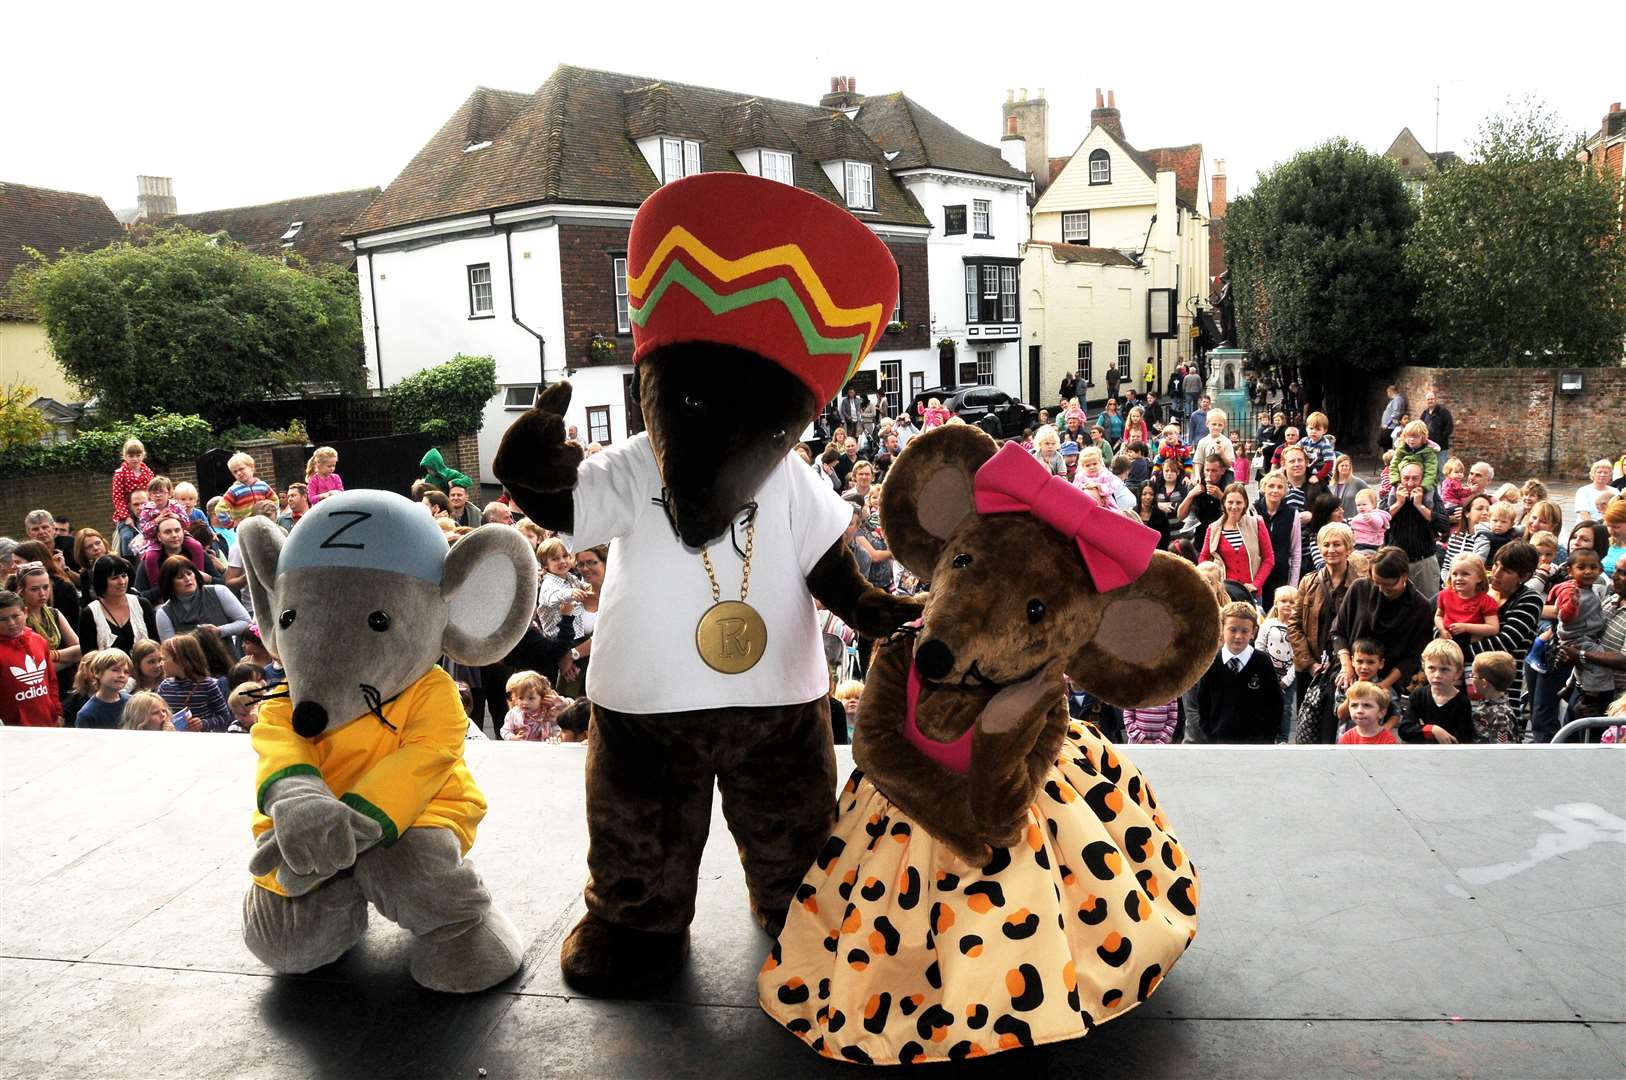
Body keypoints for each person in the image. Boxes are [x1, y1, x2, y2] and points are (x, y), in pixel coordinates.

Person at [1330, 547, 1435, 697]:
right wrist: (1347, 666)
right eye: (1376, 582)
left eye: (1388, 585)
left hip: (1390, 684)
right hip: (1349, 673)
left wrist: (1382, 685)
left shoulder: (1420, 607)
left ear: (1404, 577)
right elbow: (1338, 632)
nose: (1381, 590)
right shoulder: (1359, 589)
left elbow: (1413, 656)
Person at [1466, 541, 1545, 734]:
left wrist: (1456, 653)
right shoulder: (1480, 591)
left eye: (1507, 570)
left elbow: (1504, 643)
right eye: (1496, 565)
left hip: (1503, 693)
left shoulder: (1530, 600)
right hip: (1466, 686)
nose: (1497, 572)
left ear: (1525, 576)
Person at [1188, 601, 1282, 743]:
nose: (1238, 636)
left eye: (1244, 631)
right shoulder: (1211, 663)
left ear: (1253, 631)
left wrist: (1266, 738)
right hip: (1219, 742)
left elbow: (1275, 703)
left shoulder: (1263, 662)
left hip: (1255, 743)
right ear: (1222, 628)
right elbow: (1202, 703)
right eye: (1232, 630)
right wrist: (1210, 736)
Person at [1200, 483, 1273, 598]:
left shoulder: (1257, 524)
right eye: (1230, 502)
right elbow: (1204, 558)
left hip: (1252, 594)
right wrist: (1213, 582)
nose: (1234, 507)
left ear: (1245, 504)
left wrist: (1256, 584)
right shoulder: (1213, 528)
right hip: (1225, 594)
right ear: (1224, 503)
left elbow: (1269, 559)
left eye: (1238, 502)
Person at [0, 588, 61, 726]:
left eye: (15, 616)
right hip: (14, 730)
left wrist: (57, 712)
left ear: (25, 613)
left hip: (48, 722)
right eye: (2, 619)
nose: (11, 623)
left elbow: (51, 680)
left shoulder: (39, 641)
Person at [154, 555, 250, 642]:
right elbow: (170, 647)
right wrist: (197, 637)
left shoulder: (219, 591)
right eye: (180, 577)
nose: (187, 579)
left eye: (189, 573)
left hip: (228, 657)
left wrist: (220, 631)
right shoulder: (164, 613)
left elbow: (245, 622)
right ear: (169, 583)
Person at [77, 554, 159, 653]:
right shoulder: (89, 613)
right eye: (114, 578)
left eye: (124, 576)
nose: (122, 582)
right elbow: (88, 656)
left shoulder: (142, 604)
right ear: (101, 581)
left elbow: (156, 644)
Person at [1386, 462, 1444, 599]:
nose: (1410, 483)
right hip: (1396, 563)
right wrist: (1398, 503)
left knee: (1428, 607)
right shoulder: (1392, 494)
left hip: (1424, 562)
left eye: (1415, 478)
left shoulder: (1430, 494)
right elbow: (1379, 521)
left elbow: (1443, 525)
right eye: (1406, 478)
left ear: (1422, 479)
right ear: (1399, 478)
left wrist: (1420, 505)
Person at [1398, 639, 1471, 744]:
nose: (1437, 675)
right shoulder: (1418, 696)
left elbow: (1465, 738)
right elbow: (1404, 730)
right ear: (1424, 668)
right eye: (1431, 668)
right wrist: (1432, 730)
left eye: (1444, 669)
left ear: (1458, 673)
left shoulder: (1462, 701)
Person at [155, 633, 232, 732]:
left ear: (180, 661)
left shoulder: (207, 685)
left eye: (164, 659)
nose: (161, 664)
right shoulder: (164, 686)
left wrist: (203, 723)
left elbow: (224, 716)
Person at [1259, 587, 1302, 741]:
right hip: (1268, 673)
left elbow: (1298, 655)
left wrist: (1287, 680)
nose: (1287, 605)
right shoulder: (1268, 624)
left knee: (1285, 707)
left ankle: (1283, 738)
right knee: (1265, 704)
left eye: (1292, 602)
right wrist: (1264, 671)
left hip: (1288, 674)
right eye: (1283, 601)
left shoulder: (1298, 627)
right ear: (1276, 603)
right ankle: (1267, 734)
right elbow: (1260, 646)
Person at [1435, 553, 1500, 653]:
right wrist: (1441, 629)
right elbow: (1439, 616)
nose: (1458, 578)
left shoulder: (1486, 601)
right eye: (1455, 574)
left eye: (1465, 574)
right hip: (1446, 641)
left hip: (1470, 644)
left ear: (1479, 578)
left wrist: (1466, 627)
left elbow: (1493, 628)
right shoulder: (1444, 594)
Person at [137, 513, 212, 598]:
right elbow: (139, 596)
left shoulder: (197, 552)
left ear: (183, 532)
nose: (174, 535)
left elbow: (220, 581)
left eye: (177, 530)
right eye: (167, 532)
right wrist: (168, 586)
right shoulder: (150, 560)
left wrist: (208, 579)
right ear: (159, 536)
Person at [1254, 471, 1300, 606]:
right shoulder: (1252, 510)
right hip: (1257, 575)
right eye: (1271, 486)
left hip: (1280, 575)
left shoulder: (1292, 513)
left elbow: (1295, 551)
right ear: (1264, 488)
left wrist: (1293, 585)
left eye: (1280, 487)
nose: (1275, 490)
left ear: (1285, 491)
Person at [536, 538, 590, 648]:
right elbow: (553, 597)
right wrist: (570, 593)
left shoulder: (571, 577)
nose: (562, 561)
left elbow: (583, 587)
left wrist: (589, 587)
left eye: (565, 556)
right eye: (555, 559)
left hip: (576, 635)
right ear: (545, 564)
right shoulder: (548, 583)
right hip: (557, 641)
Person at [501, 669, 573, 741]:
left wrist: (564, 704)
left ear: (542, 697)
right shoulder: (513, 714)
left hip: (544, 749)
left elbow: (559, 729)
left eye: (531, 698)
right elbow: (504, 730)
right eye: (521, 698)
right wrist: (512, 737)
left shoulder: (548, 712)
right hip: (521, 749)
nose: (525, 702)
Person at [1178, 454, 1229, 549]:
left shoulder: (1227, 486)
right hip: (1200, 540)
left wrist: (1221, 496)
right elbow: (1180, 516)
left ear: (1222, 471)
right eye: (1207, 470)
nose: (1209, 474)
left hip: (1221, 539)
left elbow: (1235, 515)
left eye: (1214, 471)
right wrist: (1190, 495)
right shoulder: (1197, 484)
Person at [74, 648, 132, 729]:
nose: (122, 675)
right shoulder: (87, 714)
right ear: (97, 672)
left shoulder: (132, 703)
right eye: (115, 670)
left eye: (126, 672)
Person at [1469, 651, 1519, 744]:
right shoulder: (1487, 702)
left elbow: (1501, 751)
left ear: (1484, 683)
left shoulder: (1500, 717)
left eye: (1473, 676)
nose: (1471, 679)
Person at [219, 452, 277, 524]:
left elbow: (275, 500)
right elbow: (220, 509)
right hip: (245, 527)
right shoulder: (234, 490)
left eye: (241, 469)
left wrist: (273, 514)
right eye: (235, 472)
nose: (239, 473)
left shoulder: (263, 486)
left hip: (264, 523)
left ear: (252, 467)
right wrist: (231, 524)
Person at [110, 438, 154, 529]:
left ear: (143, 455)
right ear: (125, 456)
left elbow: (152, 493)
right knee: (127, 536)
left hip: (146, 512)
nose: (135, 459)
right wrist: (126, 517)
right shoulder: (120, 474)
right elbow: (118, 498)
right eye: (131, 456)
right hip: (126, 512)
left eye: (138, 455)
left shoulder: (148, 472)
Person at [1134, 482, 1173, 550]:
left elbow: (1165, 541)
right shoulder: (1133, 513)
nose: (1148, 497)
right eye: (1144, 494)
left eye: (1151, 494)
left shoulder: (1161, 515)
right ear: (1140, 495)